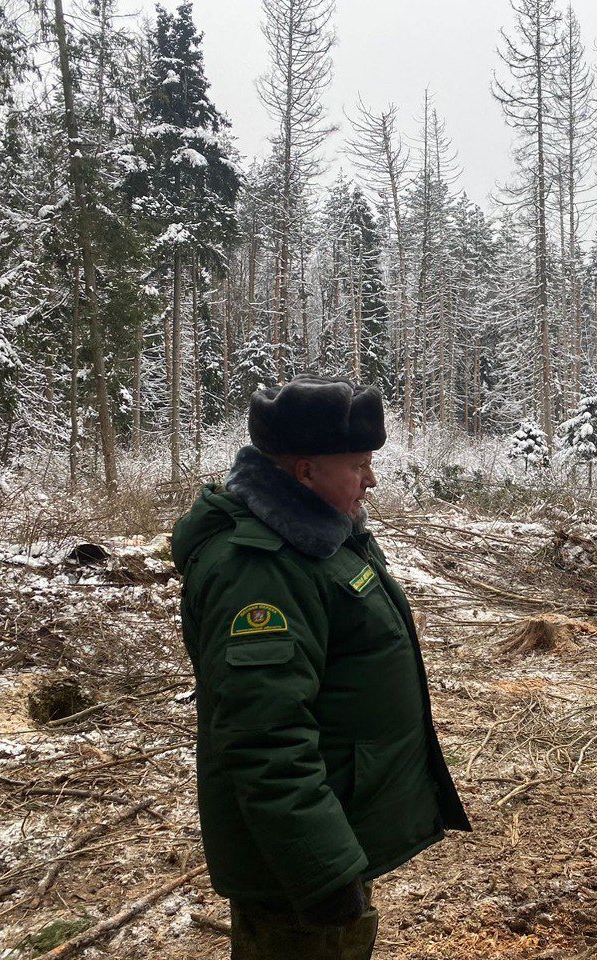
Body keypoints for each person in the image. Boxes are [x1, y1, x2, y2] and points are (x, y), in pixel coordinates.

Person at [171, 375, 469, 960]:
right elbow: (265, 738)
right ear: (305, 472)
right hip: (295, 866)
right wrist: (323, 869)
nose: (371, 480)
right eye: (358, 464)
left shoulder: (321, 540)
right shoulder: (260, 571)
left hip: (327, 827)